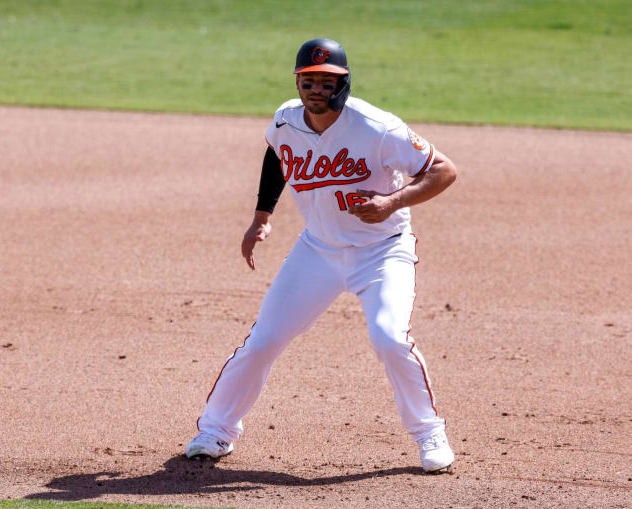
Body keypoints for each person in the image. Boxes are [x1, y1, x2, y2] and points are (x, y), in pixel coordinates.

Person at [185, 38, 458, 472]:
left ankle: (429, 434)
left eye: (327, 81)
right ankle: (215, 432)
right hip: (317, 251)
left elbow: (444, 169)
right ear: (298, 82)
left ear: (343, 83)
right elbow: (277, 157)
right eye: (308, 80)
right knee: (263, 341)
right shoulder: (286, 120)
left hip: (381, 252)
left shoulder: (378, 126)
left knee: (389, 337)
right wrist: (261, 216)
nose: (316, 88)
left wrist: (392, 202)